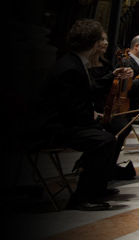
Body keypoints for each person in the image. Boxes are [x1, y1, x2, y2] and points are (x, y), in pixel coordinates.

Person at [36, 20, 133, 210]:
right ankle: (81, 197)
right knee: (104, 139)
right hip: (54, 128)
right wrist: (95, 120)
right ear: (94, 43)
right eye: (101, 39)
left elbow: (91, 89)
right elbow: (71, 110)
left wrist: (113, 76)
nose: (104, 43)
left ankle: (97, 187)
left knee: (117, 127)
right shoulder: (70, 68)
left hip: (65, 122)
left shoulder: (75, 62)